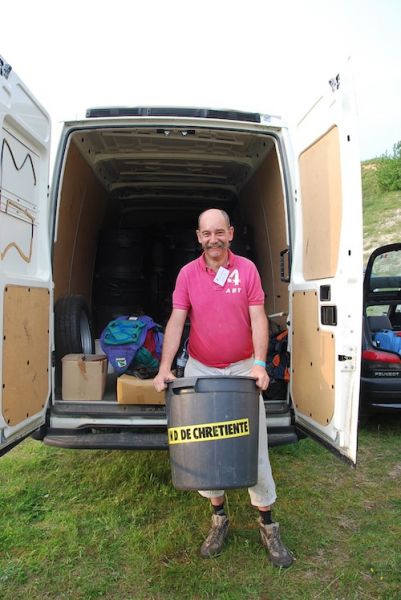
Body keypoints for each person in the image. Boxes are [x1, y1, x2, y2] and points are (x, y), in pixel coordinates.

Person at [154, 208, 293, 567]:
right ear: (198, 237)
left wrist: (260, 364)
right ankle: (219, 519)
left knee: (253, 447)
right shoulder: (187, 274)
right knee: (207, 446)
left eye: (220, 232)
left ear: (230, 233)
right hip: (202, 369)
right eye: (206, 233)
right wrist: (165, 367)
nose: (213, 239)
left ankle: (268, 525)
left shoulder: (246, 269)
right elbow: (177, 319)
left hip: (243, 370)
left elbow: (258, 317)